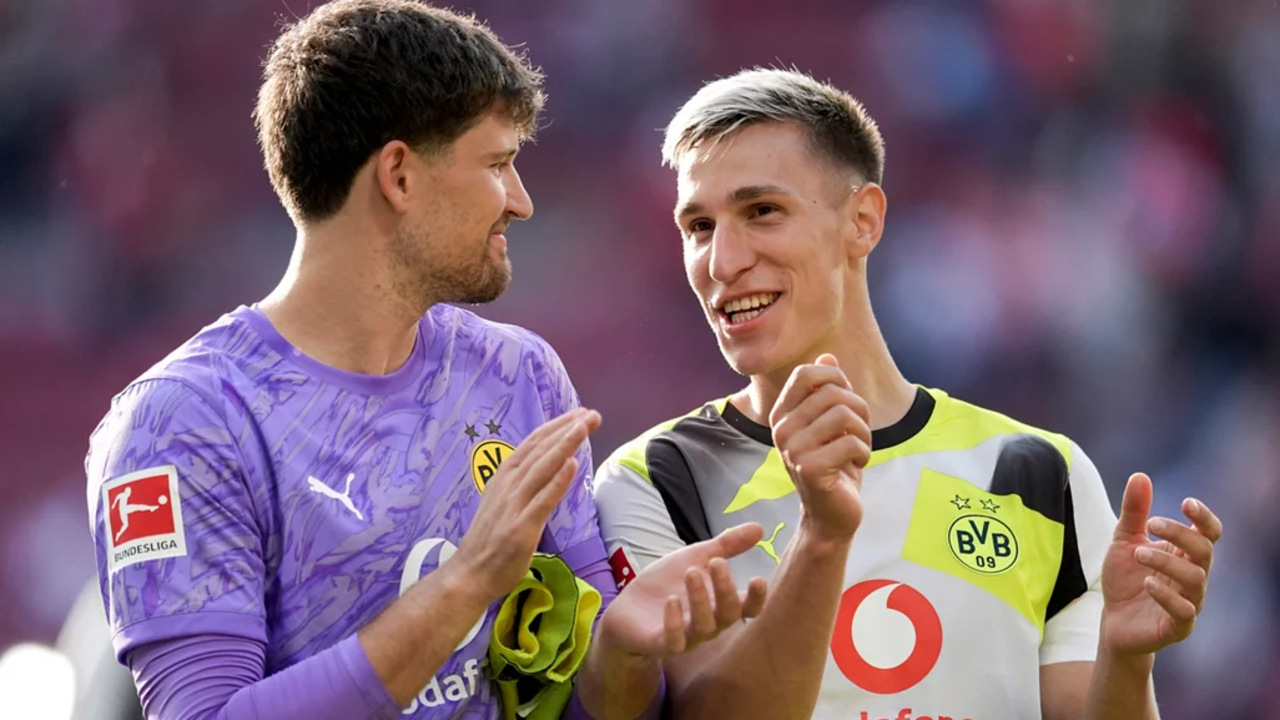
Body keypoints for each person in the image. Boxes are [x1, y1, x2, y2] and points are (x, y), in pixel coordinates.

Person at [84, 3, 769, 719]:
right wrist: (468, 582)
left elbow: (583, 707)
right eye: (498, 164)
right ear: (400, 177)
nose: (522, 203)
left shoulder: (517, 376)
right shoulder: (184, 422)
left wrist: (627, 652)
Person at [592, 68, 1223, 720]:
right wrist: (823, 540)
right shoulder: (657, 480)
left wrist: (1126, 658)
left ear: (862, 221)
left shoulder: (1038, 473)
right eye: (699, 226)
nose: (723, 261)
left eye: (761, 212)